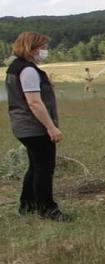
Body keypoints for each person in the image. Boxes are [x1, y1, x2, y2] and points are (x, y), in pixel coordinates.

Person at [5, 32, 72, 221]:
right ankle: (48, 209)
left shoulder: (14, 68)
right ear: (31, 48)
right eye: (42, 47)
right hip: (34, 127)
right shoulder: (27, 70)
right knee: (44, 168)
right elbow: (34, 103)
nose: (45, 51)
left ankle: (27, 205)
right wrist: (51, 127)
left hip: (22, 126)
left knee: (35, 166)